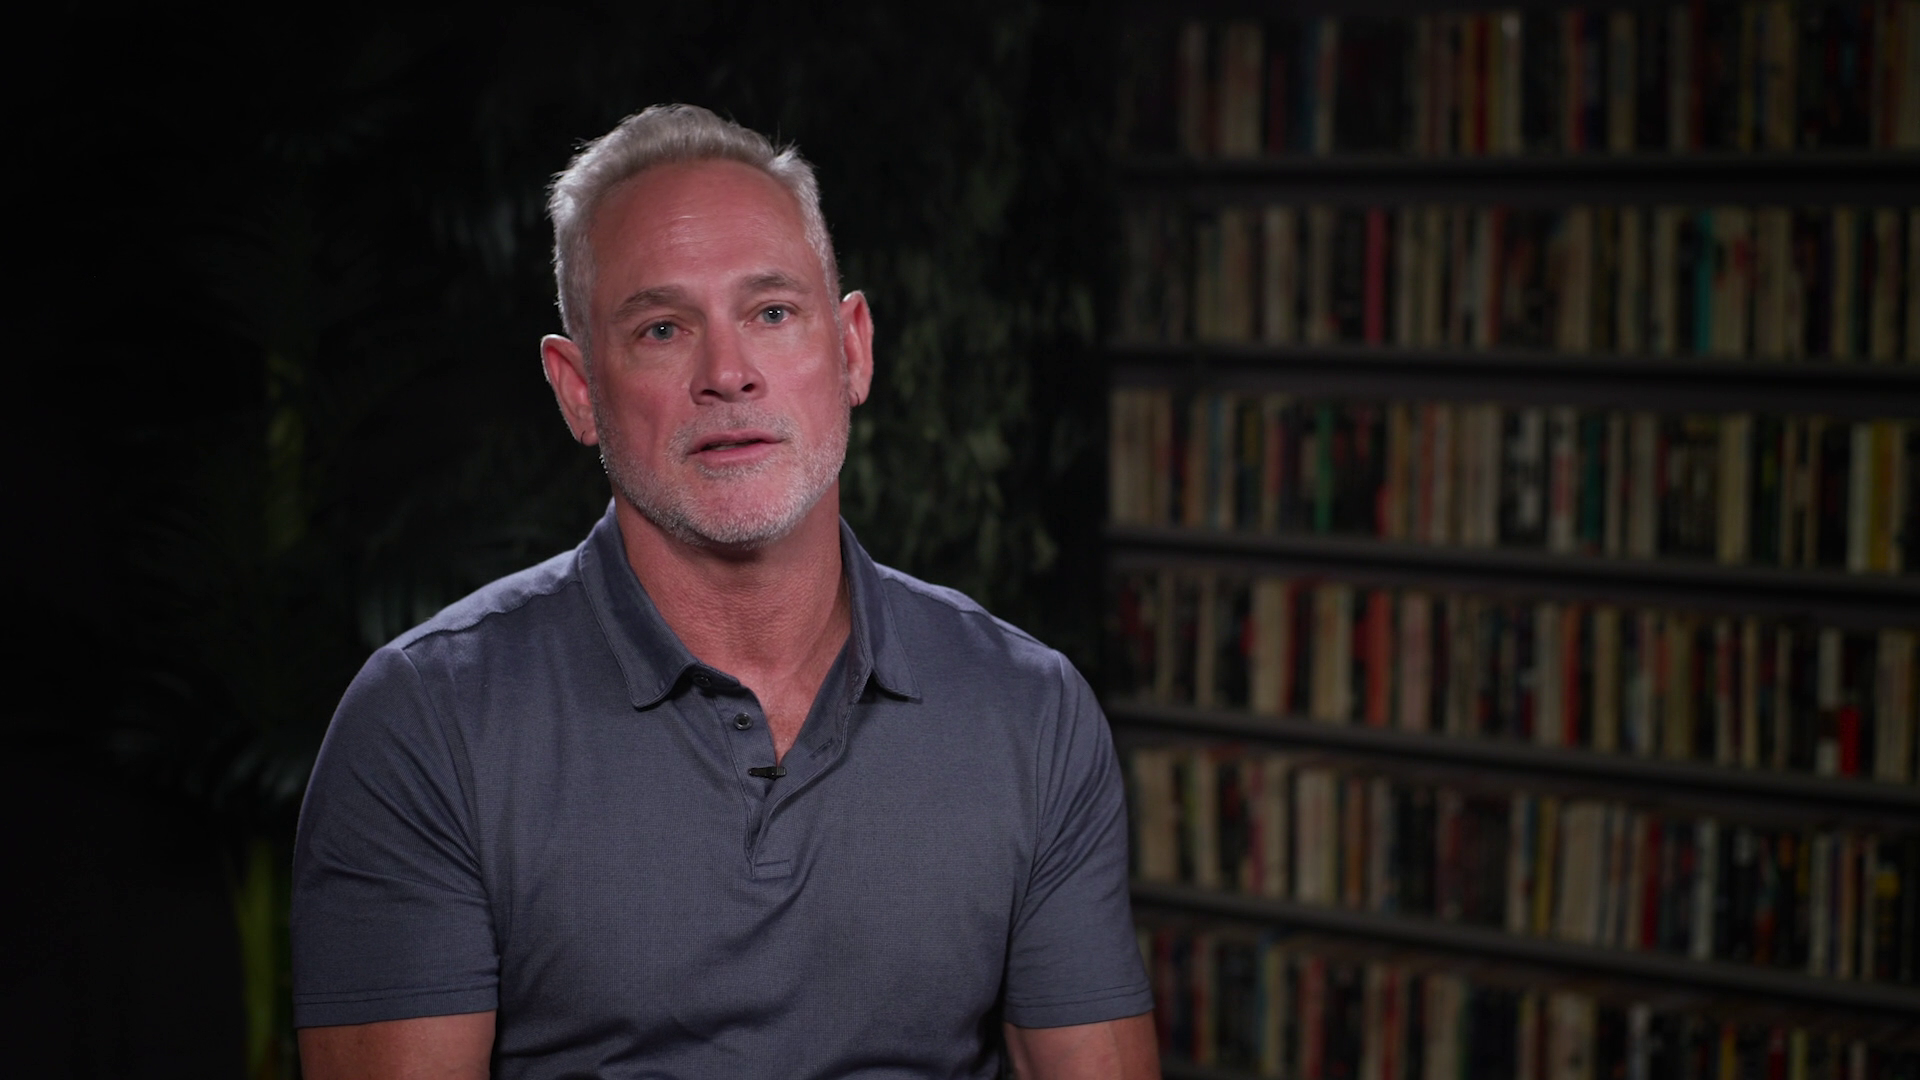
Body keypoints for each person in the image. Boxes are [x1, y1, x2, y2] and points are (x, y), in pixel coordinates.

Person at [290, 104, 1157, 1079]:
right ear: (579, 390)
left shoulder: (1030, 712)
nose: (729, 375)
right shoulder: (428, 723)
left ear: (852, 349)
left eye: (772, 313)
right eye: (662, 329)